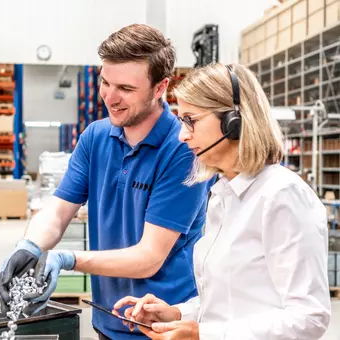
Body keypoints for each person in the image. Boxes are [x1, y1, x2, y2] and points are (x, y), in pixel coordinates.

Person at [0, 24, 212, 340]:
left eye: (125, 88)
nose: (110, 97)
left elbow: (148, 258)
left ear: (159, 87)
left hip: (164, 326)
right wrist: (30, 245)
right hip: (108, 319)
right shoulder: (95, 137)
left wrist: (66, 259)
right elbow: (57, 213)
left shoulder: (183, 148)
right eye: (105, 82)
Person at [113, 62, 331, 340]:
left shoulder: (281, 195)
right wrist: (178, 314)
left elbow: (309, 318)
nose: (182, 135)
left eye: (191, 120)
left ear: (234, 122)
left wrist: (202, 334)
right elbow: (228, 303)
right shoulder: (223, 195)